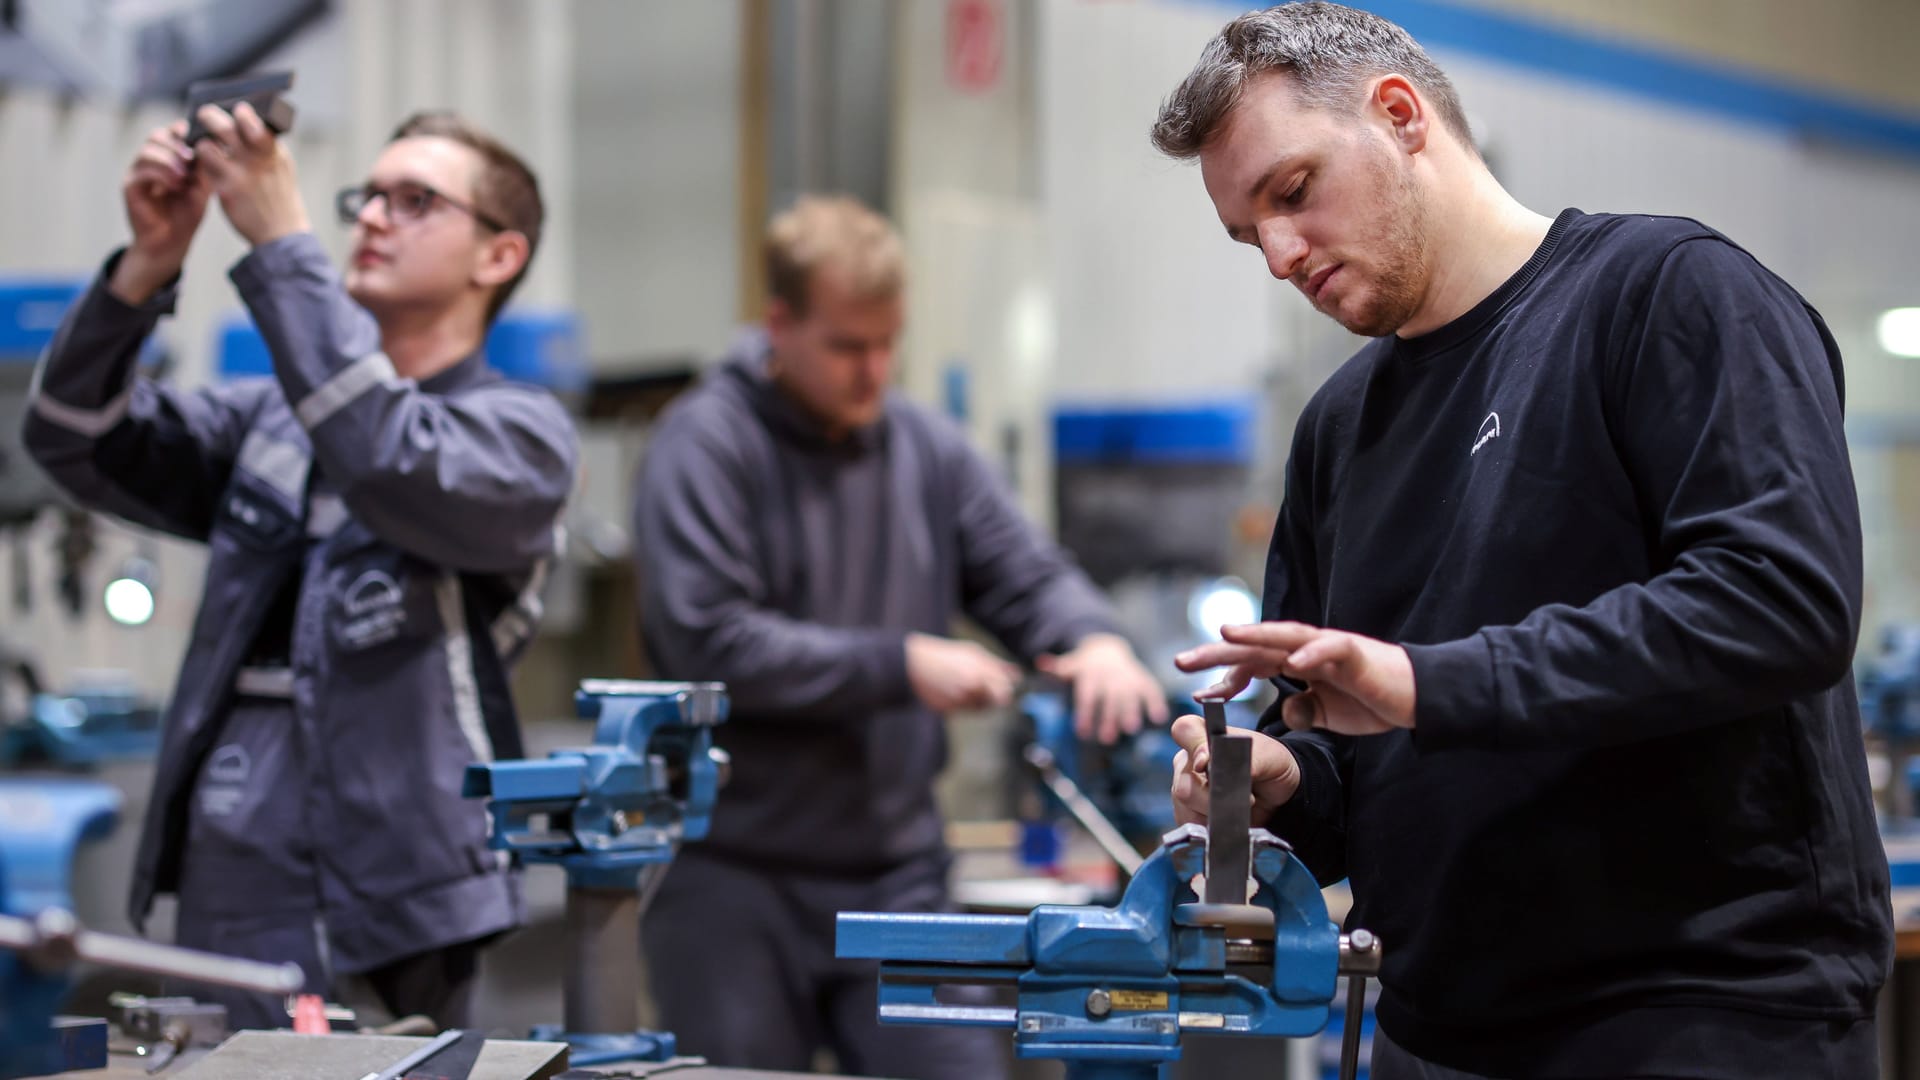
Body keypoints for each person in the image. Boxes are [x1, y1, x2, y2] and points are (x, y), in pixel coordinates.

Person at [1151, 4, 1891, 1078]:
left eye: (1293, 192)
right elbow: (1353, 749)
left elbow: (1780, 601)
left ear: (1400, 116)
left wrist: (1430, 681)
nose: (1277, 254)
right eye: (1246, 231)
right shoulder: (1340, 431)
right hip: (1436, 1031)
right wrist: (1284, 783)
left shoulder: (1664, 297)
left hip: (1700, 1018)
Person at [24, 104, 577, 1029]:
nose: (371, 217)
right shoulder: (266, 421)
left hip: (395, 905)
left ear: (498, 256)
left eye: (415, 201)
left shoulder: (519, 438)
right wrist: (146, 270)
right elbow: (70, 438)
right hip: (230, 877)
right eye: (369, 197)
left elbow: (385, 452)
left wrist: (282, 242)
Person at [632, 194, 1166, 1078]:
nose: (874, 371)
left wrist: (1094, 637)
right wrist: (900, 664)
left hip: (894, 876)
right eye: (847, 346)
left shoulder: (925, 449)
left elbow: (1025, 574)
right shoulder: (704, 445)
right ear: (779, 323)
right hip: (730, 878)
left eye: (889, 344)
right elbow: (708, 640)